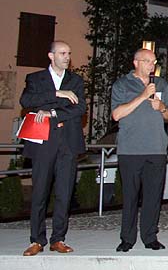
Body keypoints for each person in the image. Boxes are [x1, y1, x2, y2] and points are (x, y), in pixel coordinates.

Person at [19, 41, 86, 256]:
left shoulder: (76, 80)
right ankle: (37, 240)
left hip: (68, 142)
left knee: (64, 193)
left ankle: (58, 239)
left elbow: (80, 108)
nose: (67, 57)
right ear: (51, 55)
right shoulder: (35, 78)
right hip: (43, 142)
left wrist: (52, 113)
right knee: (40, 192)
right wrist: (57, 94)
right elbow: (26, 100)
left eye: (69, 53)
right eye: (62, 53)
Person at [110, 48, 168, 252]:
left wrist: (162, 107)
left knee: (153, 197)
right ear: (136, 62)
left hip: (156, 148)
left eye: (154, 62)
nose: (152, 65)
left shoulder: (161, 84)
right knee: (130, 196)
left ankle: (150, 237)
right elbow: (117, 114)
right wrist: (142, 96)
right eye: (147, 61)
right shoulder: (122, 84)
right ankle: (127, 238)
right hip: (130, 149)